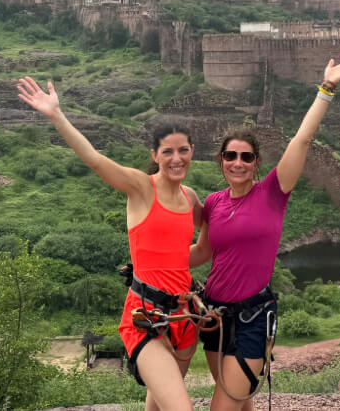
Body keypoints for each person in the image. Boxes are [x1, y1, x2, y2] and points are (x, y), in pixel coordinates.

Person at [17, 76, 202, 411]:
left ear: (192, 152)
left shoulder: (191, 198)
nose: (177, 159)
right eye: (168, 151)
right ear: (155, 155)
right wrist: (57, 115)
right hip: (145, 317)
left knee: (158, 405)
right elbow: (94, 159)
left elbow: (209, 239)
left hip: (184, 318)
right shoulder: (141, 187)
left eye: (183, 150)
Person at [190, 58, 340, 411]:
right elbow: (203, 252)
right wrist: (152, 261)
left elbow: (302, 139)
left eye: (246, 157)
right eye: (230, 155)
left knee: (223, 406)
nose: (238, 162)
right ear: (220, 160)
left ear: (256, 162)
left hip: (253, 317)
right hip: (214, 317)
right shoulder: (213, 202)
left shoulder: (272, 193)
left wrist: (326, 89)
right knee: (242, 402)